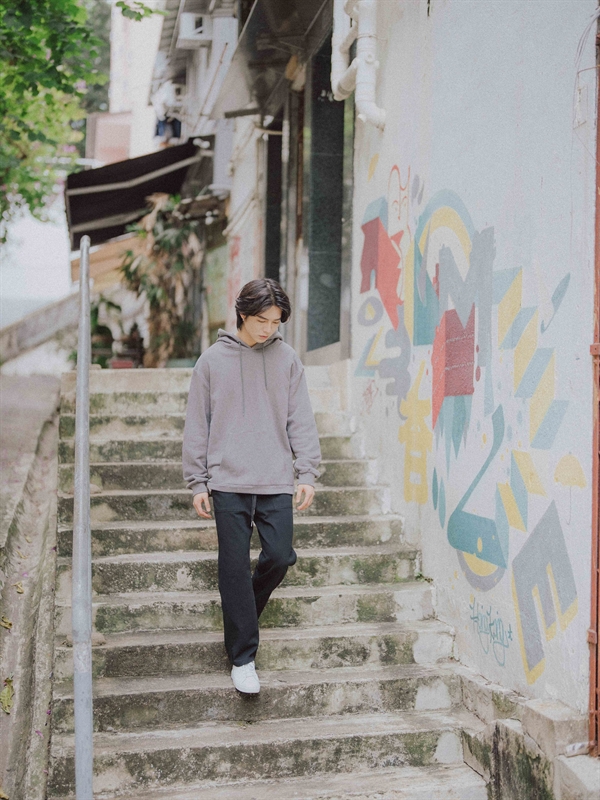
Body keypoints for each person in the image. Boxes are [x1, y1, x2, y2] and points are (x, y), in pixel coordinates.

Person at [182, 278, 322, 694]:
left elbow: (301, 418)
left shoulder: (288, 359)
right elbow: (197, 424)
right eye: (263, 320)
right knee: (233, 565)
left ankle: (239, 618)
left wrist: (307, 472)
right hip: (227, 479)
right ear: (243, 313)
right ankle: (243, 658)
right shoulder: (211, 362)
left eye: (276, 322)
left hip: (275, 477)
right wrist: (197, 481)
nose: (269, 329)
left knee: (279, 556)